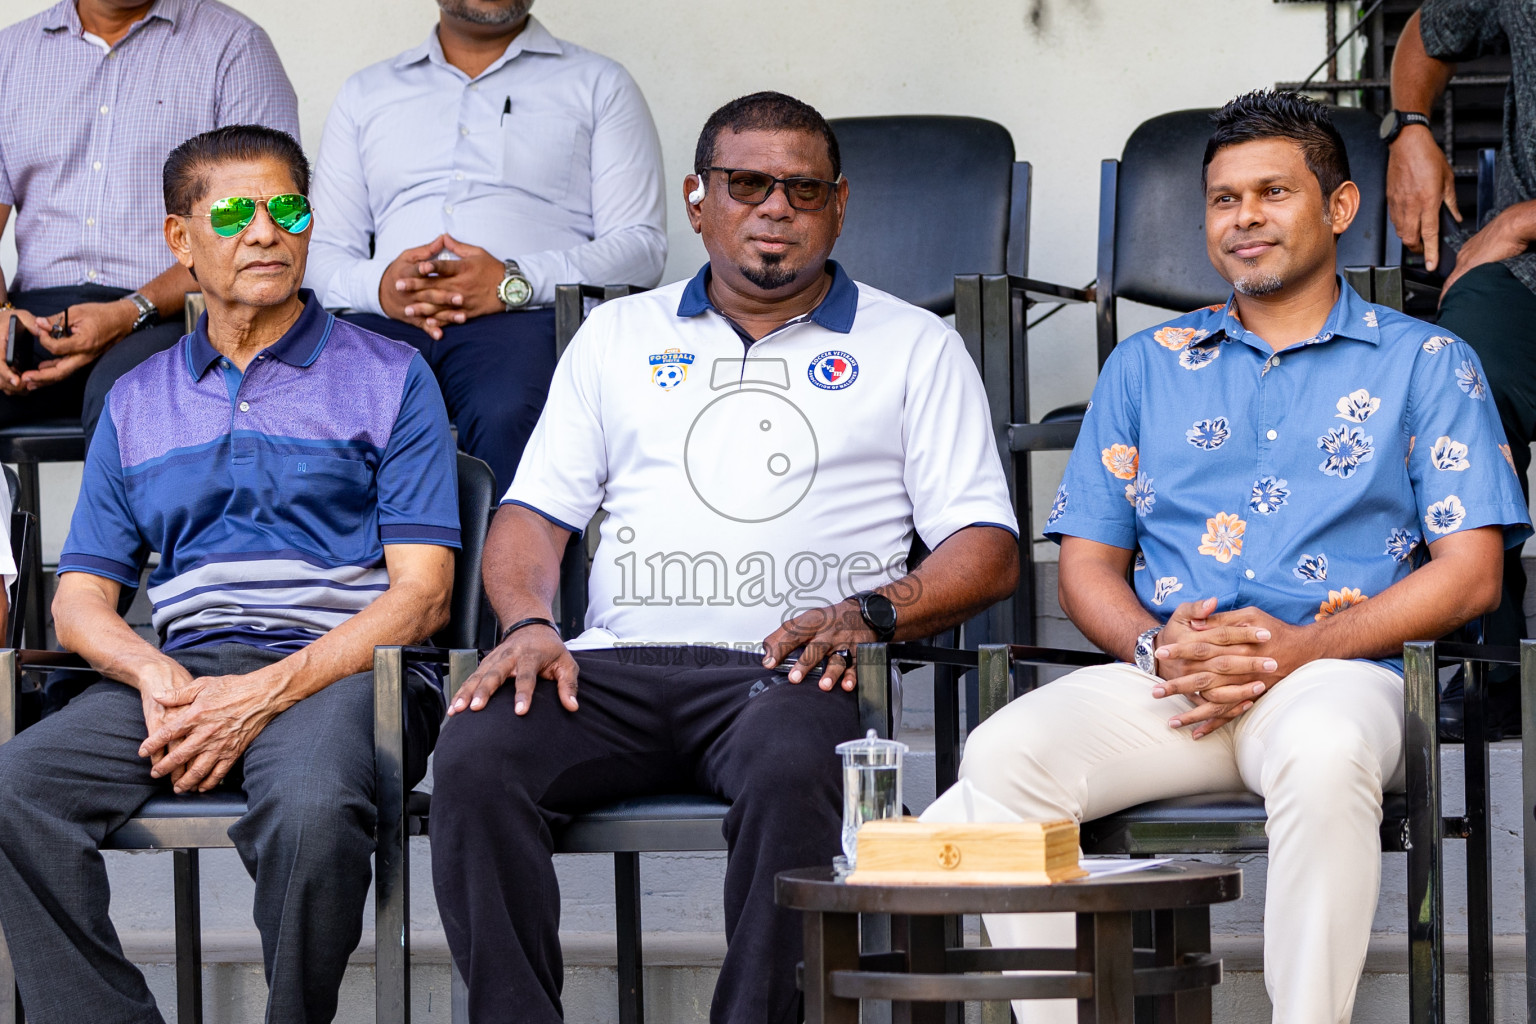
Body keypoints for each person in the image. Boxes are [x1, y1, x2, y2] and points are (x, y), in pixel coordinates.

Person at [429, 91, 1019, 1024]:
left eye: (802, 188)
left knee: (798, 768)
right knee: (474, 753)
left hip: (789, 672)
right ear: (698, 199)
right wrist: (533, 624)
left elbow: (985, 549)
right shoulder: (619, 335)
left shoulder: (915, 344)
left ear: (838, 204)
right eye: (747, 184)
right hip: (610, 669)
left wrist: (869, 614)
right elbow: (533, 518)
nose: (775, 207)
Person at [957, 91, 1529, 1024]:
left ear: (1339, 208)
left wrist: (1298, 651)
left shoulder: (1427, 362)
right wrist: (1155, 647)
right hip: (1175, 678)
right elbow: (1089, 568)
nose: (1245, 219)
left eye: (1273, 192)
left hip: (1340, 673)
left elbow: (1472, 575)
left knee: (1324, 747)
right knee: (1003, 754)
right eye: (1225, 200)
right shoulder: (1144, 365)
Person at [0, 125, 460, 1023]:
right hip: (186, 669)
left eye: (287, 208)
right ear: (180, 240)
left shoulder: (390, 374)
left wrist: (265, 691)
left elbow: (424, 593)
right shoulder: (137, 398)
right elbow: (81, 601)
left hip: (343, 670)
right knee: (14, 790)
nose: (265, 232)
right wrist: (154, 672)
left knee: (315, 809)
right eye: (237, 212)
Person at [305, 0, 666, 491]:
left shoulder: (600, 83)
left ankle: (503, 570)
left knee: (508, 410)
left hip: (524, 320)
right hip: (383, 319)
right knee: (332, 407)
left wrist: (513, 281)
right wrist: (381, 287)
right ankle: (358, 570)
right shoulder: (366, 93)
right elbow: (319, 250)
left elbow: (641, 248)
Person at [0, 0, 299, 441]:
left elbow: (259, 231)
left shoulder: (235, 47)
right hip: (38, 315)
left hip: (176, 312)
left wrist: (129, 311)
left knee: (127, 397)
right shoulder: (10, 53)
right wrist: (2, 318)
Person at [1387, 1, 1536, 736]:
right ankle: (1492, 661)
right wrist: (1411, 128)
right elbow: (1429, 32)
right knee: (1452, 371)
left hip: (1521, 235)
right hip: (1524, 273)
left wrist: (1520, 217)